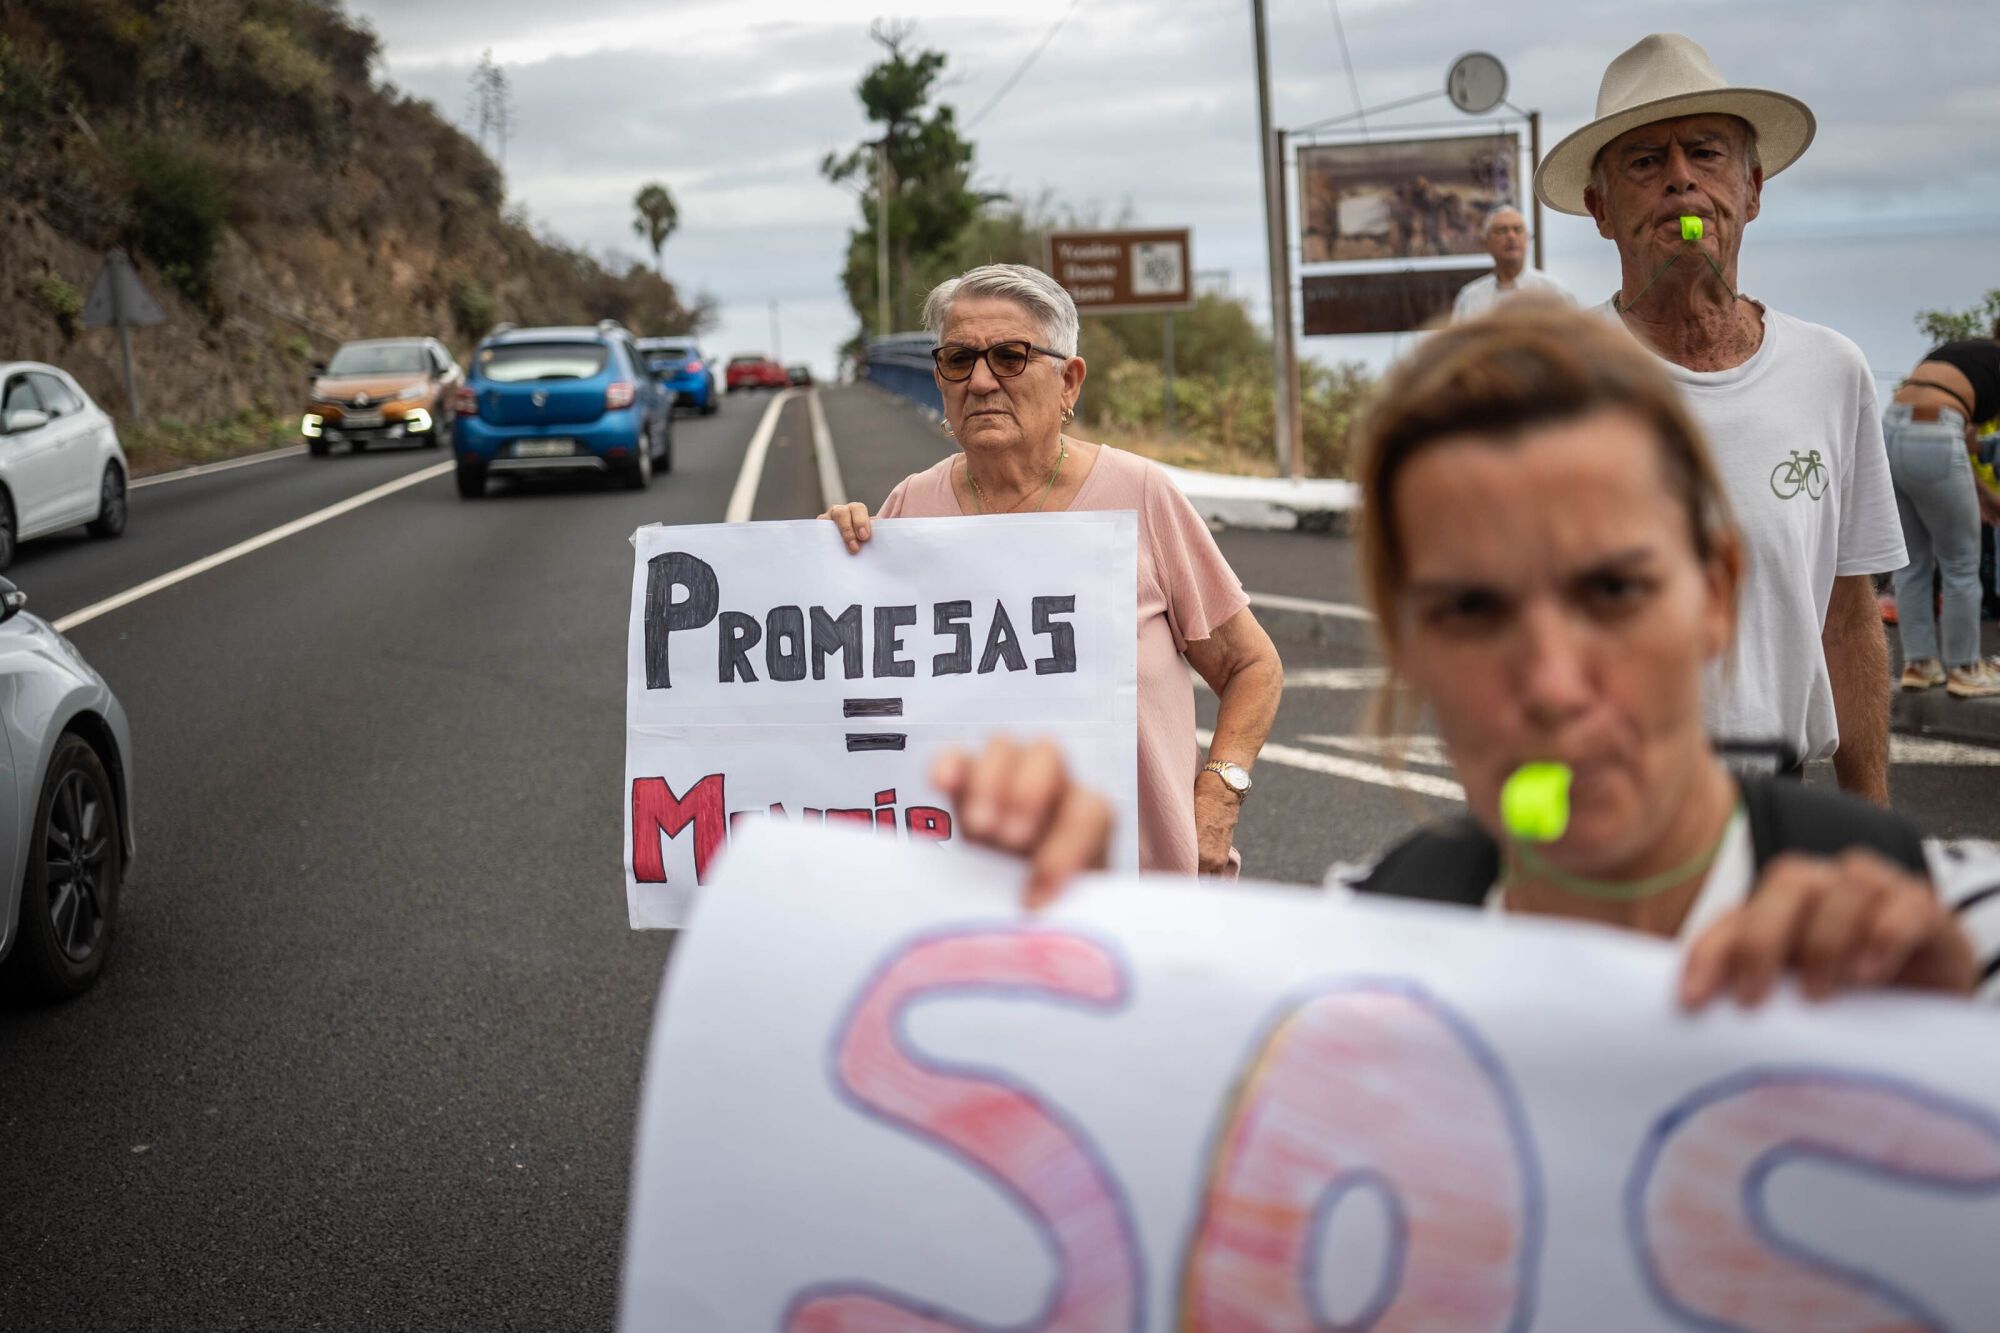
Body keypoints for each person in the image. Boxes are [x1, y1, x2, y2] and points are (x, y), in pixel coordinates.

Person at [929, 305, 1998, 1007]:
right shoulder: (1365, 954)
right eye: (1470, 609)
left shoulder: (1948, 929)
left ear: (1713, 595)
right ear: (1406, 645)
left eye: (1611, 590)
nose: (1548, 676)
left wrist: (1940, 1060)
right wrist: (1059, 931)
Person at [1536, 33, 1906, 801]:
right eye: (1645, 162)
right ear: (1601, 210)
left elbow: (1846, 618)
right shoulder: (1551, 380)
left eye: (1705, 154)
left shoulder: (1830, 370)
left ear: (1753, 190)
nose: (1680, 181)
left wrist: (1871, 828)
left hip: (1780, 801)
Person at [820, 263, 1283, 876]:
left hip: (1138, 896)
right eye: (958, 360)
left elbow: (1252, 665)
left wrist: (1219, 793)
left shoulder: (1139, 494)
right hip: (963, 891)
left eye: (1009, 357)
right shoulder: (910, 510)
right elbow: (856, 694)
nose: (981, 381)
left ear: (1069, 382)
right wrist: (824, 564)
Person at [1887, 333, 2000, 697]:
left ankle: (1920, 664)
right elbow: (1963, 439)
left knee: (1912, 564)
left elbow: (1962, 440)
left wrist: (1980, 496)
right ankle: (1965, 669)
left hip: (1889, 431)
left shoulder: (1963, 351)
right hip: (1935, 433)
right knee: (1961, 564)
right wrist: (1987, 498)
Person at [1449, 206, 1570, 321]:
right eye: (1502, 230)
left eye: (1517, 229)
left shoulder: (1552, 292)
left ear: (1528, 239)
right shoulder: (1470, 297)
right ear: (1485, 242)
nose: (1511, 236)